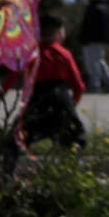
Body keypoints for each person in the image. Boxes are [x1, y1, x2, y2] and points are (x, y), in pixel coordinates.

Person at [17, 12, 88, 154]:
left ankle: (8, 170)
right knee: (74, 141)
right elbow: (79, 86)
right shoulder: (63, 54)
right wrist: (71, 106)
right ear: (58, 33)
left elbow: (22, 82)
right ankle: (70, 171)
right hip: (61, 103)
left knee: (18, 139)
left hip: (38, 102)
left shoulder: (32, 54)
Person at [79, 0, 109, 94]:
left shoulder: (97, 7)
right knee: (99, 62)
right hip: (93, 39)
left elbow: (102, 26)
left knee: (93, 63)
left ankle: (95, 85)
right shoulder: (97, 7)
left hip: (94, 39)